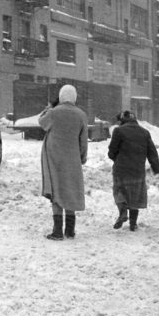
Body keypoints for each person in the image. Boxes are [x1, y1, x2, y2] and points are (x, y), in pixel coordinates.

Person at [39, 85, 88, 240]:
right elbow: (83, 140)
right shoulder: (81, 115)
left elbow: (41, 122)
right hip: (72, 158)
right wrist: (81, 157)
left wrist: (49, 108)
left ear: (60, 96)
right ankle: (70, 230)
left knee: (56, 190)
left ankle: (57, 231)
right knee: (70, 191)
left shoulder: (53, 113)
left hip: (54, 158)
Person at [108, 110, 159, 231]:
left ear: (122, 120)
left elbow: (112, 151)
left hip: (121, 169)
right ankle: (133, 224)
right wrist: (156, 167)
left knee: (119, 191)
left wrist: (115, 158)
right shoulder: (144, 132)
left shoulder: (119, 131)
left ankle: (122, 212)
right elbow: (152, 152)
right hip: (137, 169)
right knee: (135, 195)